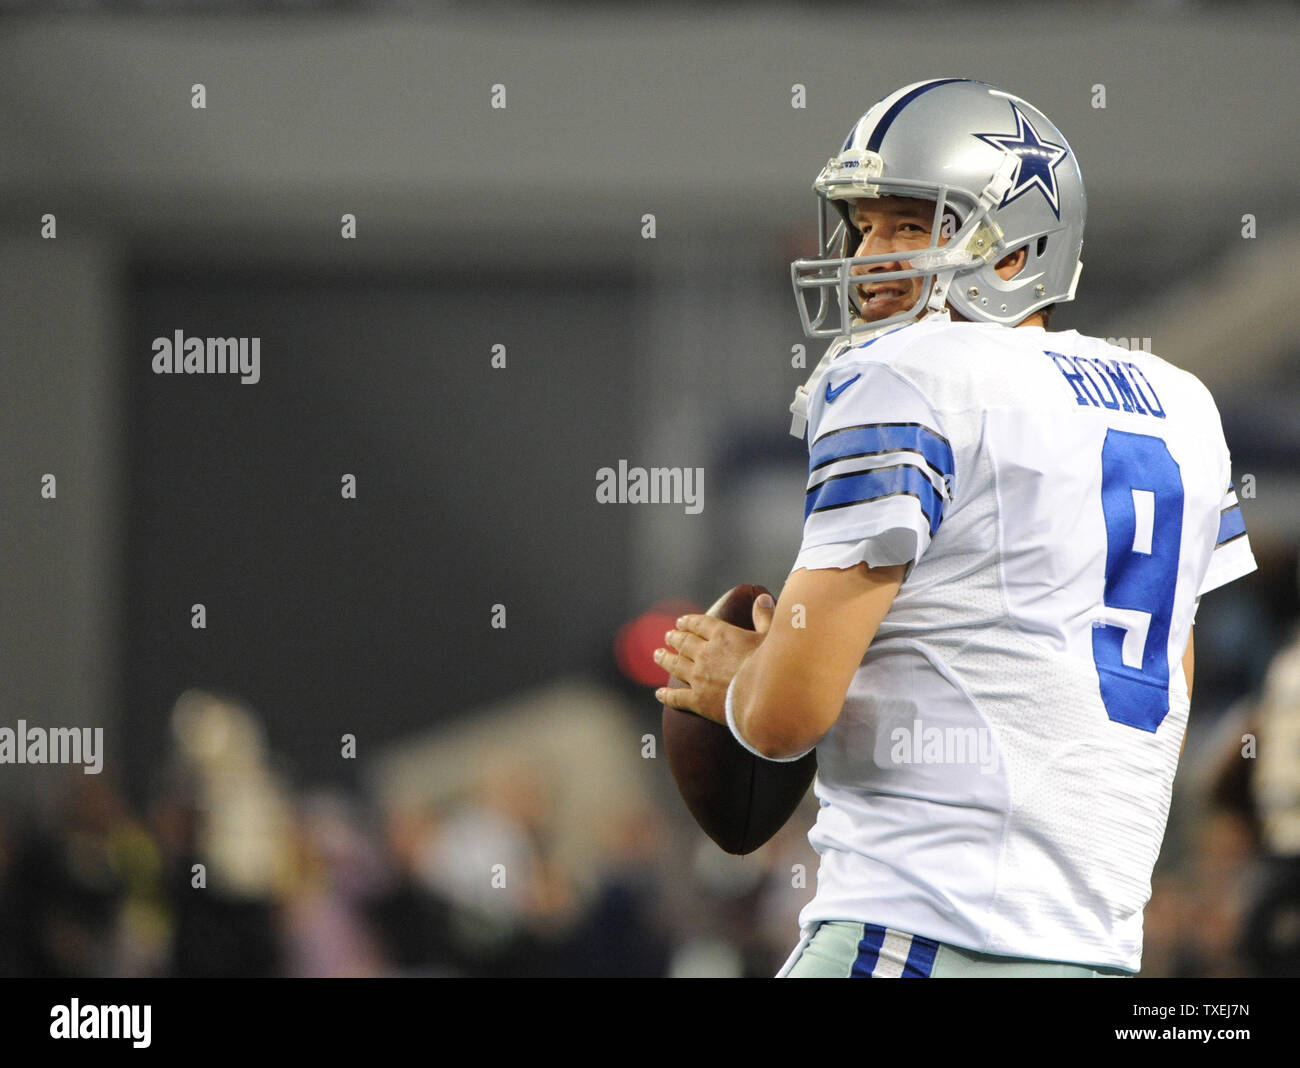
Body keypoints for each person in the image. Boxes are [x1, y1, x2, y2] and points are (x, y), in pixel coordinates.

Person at [653, 79, 1257, 977]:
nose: (869, 254)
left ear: (1016, 249)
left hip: (915, 932)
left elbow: (783, 720)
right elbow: (1173, 672)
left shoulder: (906, 374)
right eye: (863, 226)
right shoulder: (1182, 403)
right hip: (1097, 949)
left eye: (911, 225)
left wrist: (745, 676)